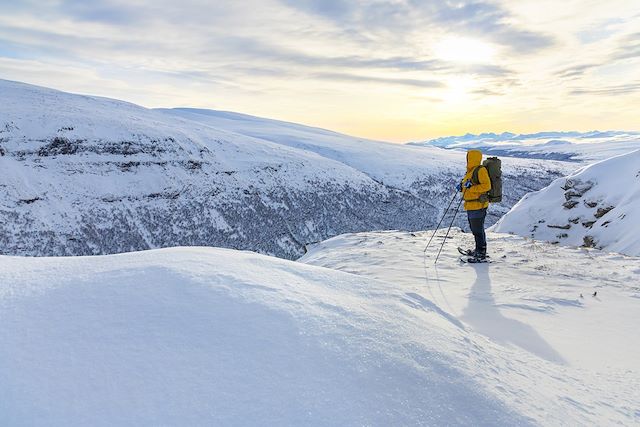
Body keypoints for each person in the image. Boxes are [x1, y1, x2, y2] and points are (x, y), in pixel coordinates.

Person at [456, 149, 492, 260]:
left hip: (478, 205)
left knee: (477, 229)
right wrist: (462, 187)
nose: (467, 159)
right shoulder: (470, 172)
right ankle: (479, 250)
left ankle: (481, 252)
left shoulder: (480, 170)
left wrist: (471, 187)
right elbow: (468, 187)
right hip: (471, 205)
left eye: (468, 157)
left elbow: (487, 186)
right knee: (475, 228)